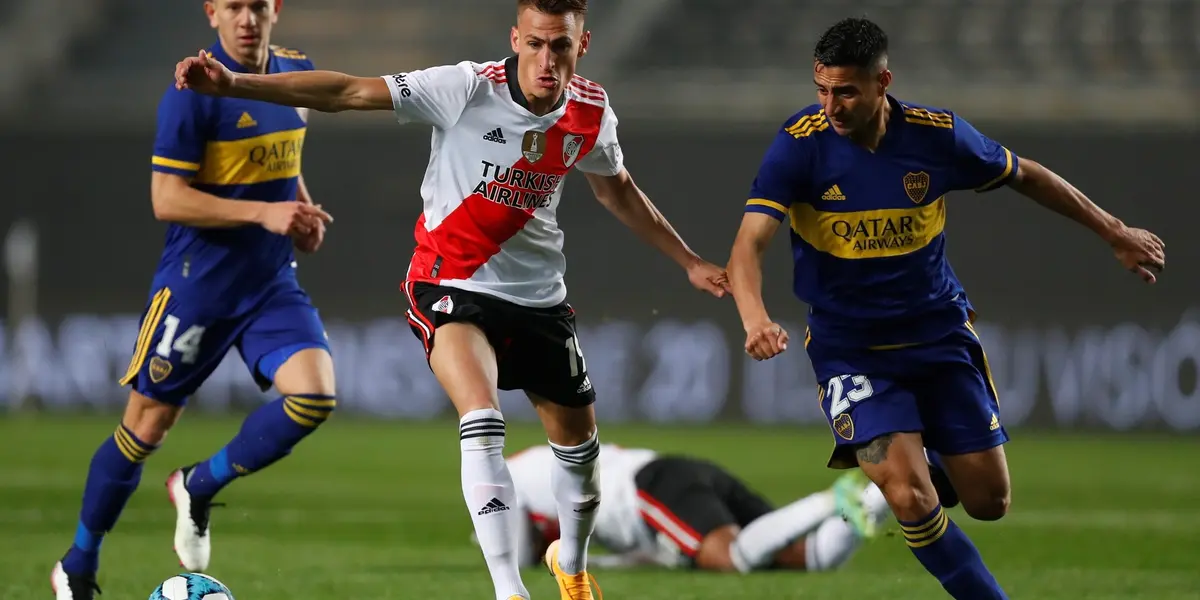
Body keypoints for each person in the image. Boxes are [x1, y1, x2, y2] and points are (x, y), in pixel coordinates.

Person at [172, 1, 729, 598]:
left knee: (580, 456)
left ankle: (571, 564)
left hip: (540, 301)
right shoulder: (464, 88)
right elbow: (347, 91)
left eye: (560, 47)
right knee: (482, 419)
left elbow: (616, 188)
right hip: (450, 283)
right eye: (535, 44)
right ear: (516, 38)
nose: (546, 60)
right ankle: (508, 590)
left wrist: (689, 260)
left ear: (581, 45)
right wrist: (235, 83)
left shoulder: (590, 109)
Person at [726, 17, 1165, 600]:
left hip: (938, 337)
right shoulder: (800, 146)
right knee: (910, 498)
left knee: (989, 502)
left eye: (847, 91)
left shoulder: (937, 136)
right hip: (851, 350)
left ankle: (912, 465)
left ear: (883, 82)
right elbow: (747, 245)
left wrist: (1113, 231)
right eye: (822, 89)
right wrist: (754, 317)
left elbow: (1023, 175)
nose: (831, 104)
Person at [51, 1, 338, 598]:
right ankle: (77, 565)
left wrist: (301, 212)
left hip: (268, 283)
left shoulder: (293, 71)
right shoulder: (192, 93)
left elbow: (285, 157)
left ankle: (198, 485)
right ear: (212, 14)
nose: (246, 18)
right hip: (197, 285)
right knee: (143, 429)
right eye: (232, 6)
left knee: (314, 397)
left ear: (275, 8)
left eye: (256, 5)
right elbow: (167, 199)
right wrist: (265, 212)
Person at [494, 443, 891, 574]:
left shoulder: (504, 479)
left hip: (647, 490)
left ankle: (830, 500)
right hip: (677, 472)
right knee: (807, 558)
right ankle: (888, 491)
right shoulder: (534, 464)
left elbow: (520, 554)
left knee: (733, 558)